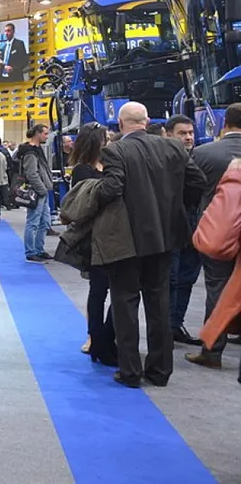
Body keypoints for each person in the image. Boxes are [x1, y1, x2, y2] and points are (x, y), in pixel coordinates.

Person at [96, 102, 205, 388]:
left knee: (125, 302)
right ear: (146, 121)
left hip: (126, 239)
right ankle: (159, 371)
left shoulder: (115, 150)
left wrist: (91, 196)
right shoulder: (173, 148)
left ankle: (130, 371)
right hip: (166, 238)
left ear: (121, 125)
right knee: (159, 303)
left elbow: (111, 188)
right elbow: (198, 181)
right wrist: (175, 208)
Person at [186, 103, 241, 370]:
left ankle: (212, 350)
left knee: (217, 286)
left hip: (218, 230)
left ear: (224, 123)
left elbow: (191, 190)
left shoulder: (204, 153)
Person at [68, 122, 117, 365]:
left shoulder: (110, 165)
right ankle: (93, 336)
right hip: (93, 236)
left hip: (113, 234)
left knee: (111, 288)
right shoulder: (83, 170)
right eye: (105, 138)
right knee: (98, 290)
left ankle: (107, 336)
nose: (109, 141)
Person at [164, 114, 202, 346]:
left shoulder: (200, 156)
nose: (188, 137)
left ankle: (176, 324)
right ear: (169, 135)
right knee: (171, 278)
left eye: (190, 133)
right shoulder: (164, 160)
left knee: (188, 276)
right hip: (171, 226)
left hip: (195, 226)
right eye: (182, 133)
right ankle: (166, 328)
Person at [16, 124, 54, 263]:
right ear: (37, 133)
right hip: (37, 192)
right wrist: (42, 189)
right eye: (45, 133)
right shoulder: (30, 152)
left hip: (41, 191)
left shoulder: (37, 150)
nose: (46, 136)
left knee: (44, 222)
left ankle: (39, 249)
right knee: (33, 222)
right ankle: (31, 251)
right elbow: (32, 173)